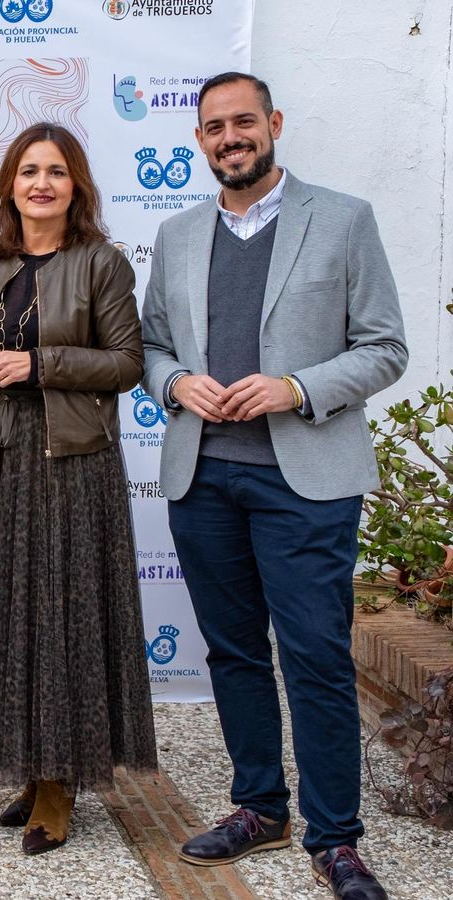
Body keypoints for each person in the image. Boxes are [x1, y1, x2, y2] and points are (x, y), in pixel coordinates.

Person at [141, 73, 405, 900]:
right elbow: (151, 348)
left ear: (274, 125)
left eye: (244, 122)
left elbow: (385, 348)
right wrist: (176, 383)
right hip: (203, 478)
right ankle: (260, 807)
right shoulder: (178, 234)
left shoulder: (343, 219)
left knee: (318, 660)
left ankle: (336, 839)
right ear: (201, 140)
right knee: (234, 655)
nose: (230, 137)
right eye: (214, 127)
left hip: (307, 484)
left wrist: (294, 387)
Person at [0, 123, 157, 855]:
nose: (41, 184)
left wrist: (37, 364)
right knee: (5, 613)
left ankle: (59, 784)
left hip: (69, 461)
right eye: (29, 171)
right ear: (10, 184)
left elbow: (125, 363)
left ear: (76, 186)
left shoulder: (102, 263)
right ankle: (27, 767)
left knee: (60, 617)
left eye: (56, 171)